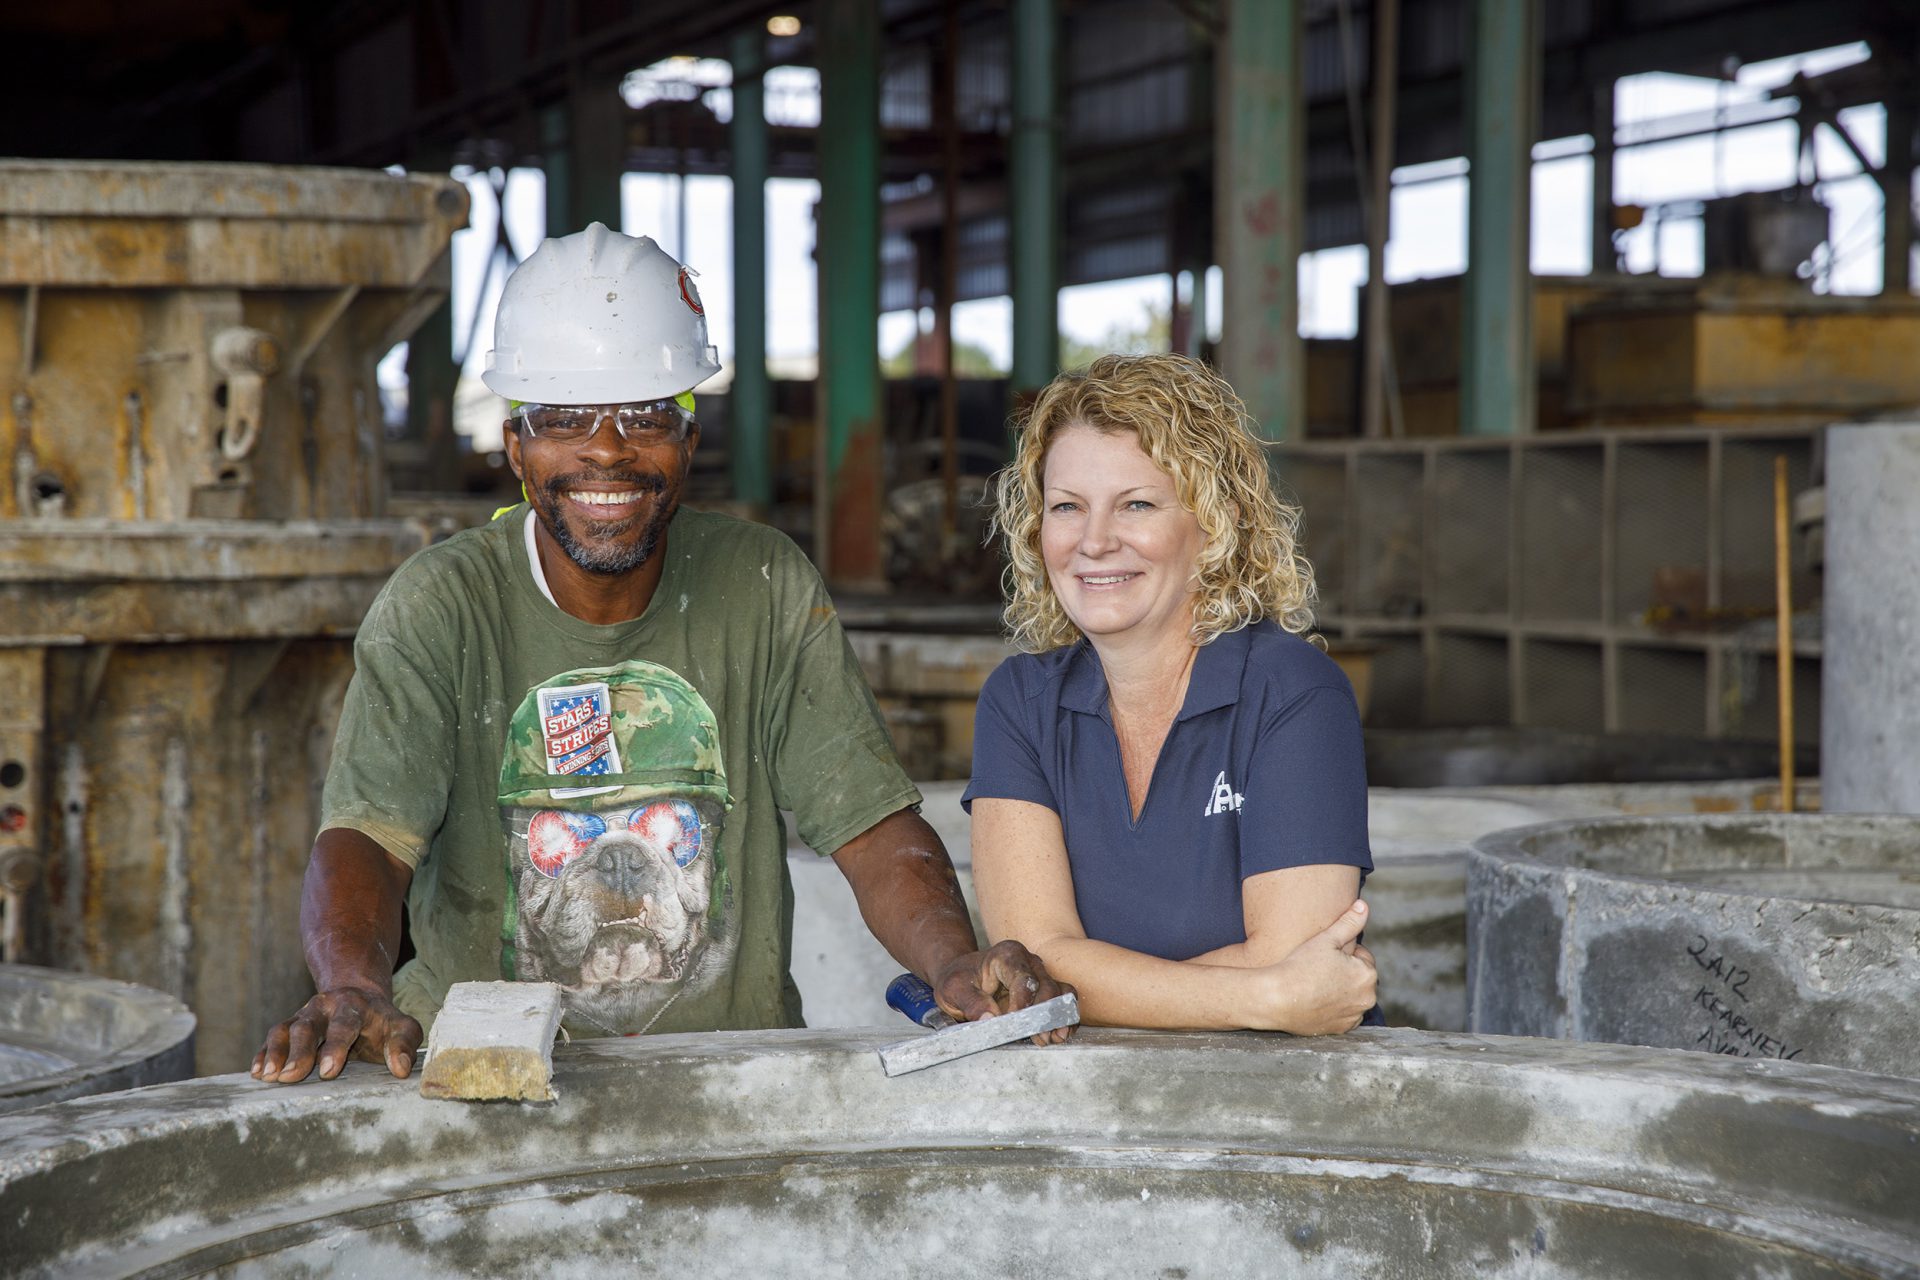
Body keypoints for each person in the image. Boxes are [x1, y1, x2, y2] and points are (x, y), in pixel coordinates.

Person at [253, 223, 1068, 1084]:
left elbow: (867, 824)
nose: (607, 448)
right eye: (564, 418)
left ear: (688, 443)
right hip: (483, 1085)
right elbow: (369, 839)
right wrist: (349, 983)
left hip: (735, 1078)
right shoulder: (440, 607)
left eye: (645, 415)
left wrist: (949, 960)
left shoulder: (762, 584)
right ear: (516, 450)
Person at [964, 352, 1378, 1034]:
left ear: (1214, 524)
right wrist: (1267, 999)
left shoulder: (1292, 692)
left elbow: (1293, 955)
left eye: (1137, 505)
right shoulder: (1020, 703)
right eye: (1067, 507)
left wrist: (1090, 985)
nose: (1094, 542)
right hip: (1091, 1113)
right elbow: (1037, 972)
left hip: (1285, 1109)